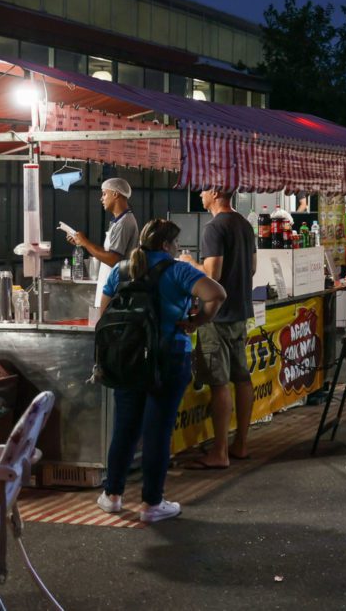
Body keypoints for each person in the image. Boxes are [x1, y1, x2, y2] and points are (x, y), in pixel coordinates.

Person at [97, 219, 225, 523]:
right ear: (167, 245)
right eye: (176, 244)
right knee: (157, 431)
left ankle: (112, 495)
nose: (178, 249)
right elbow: (217, 294)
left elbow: (103, 313)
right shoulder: (178, 269)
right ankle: (151, 504)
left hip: (127, 360)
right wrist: (197, 322)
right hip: (170, 357)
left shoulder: (122, 269)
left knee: (125, 427)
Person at [178, 190, 257, 470]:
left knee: (219, 382)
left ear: (214, 192)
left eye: (203, 188)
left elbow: (212, 276)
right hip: (241, 313)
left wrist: (189, 264)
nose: (200, 193)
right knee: (242, 378)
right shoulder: (245, 224)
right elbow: (253, 268)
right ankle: (241, 444)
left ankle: (220, 451)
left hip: (218, 317)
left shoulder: (214, 227)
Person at [69, 178, 140, 303]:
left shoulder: (124, 223)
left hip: (115, 291)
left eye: (104, 194)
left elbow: (113, 259)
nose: (101, 198)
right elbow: (109, 253)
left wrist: (86, 242)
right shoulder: (118, 221)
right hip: (109, 286)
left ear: (115, 194)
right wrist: (82, 243)